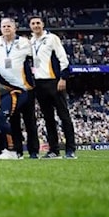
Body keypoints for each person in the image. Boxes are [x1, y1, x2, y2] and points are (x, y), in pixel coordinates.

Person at [0, 18, 39, 159]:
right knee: (14, 121)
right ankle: (18, 151)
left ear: (15, 28)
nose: (6, 28)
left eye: (9, 26)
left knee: (30, 121)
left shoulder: (24, 42)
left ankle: (34, 151)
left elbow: (37, 54)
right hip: (9, 89)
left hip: (25, 88)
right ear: (0, 28)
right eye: (3, 26)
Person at [29, 17, 76, 159]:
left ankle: (70, 150)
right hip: (39, 83)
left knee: (64, 116)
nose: (36, 26)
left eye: (38, 23)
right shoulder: (31, 42)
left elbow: (63, 58)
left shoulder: (51, 38)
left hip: (54, 81)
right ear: (30, 26)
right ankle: (54, 150)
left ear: (43, 24)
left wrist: (63, 78)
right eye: (33, 23)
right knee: (48, 118)